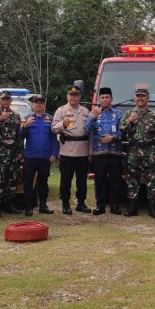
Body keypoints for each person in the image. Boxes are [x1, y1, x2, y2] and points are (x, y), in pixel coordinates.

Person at [120, 88, 155, 218]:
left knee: (153, 179)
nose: (140, 98)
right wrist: (129, 121)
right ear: (134, 98)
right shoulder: (128, 113)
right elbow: (121, 129)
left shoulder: (154, 115)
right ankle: (132, 207)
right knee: (132, 179)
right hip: (134, 150)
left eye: (143, 96)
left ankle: (153, 208)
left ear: (148, 99)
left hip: (150, 151)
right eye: (138, 96)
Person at [51, 85, 92, 214]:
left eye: (76, 95)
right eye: (71, 95)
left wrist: (90, 152)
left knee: (82, 180)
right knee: (66, 179)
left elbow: (90, 133)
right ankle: (65, 204)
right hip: (67, 150)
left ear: (79, 96)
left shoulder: (86, 111)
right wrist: (62, 124)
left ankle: (81, 203)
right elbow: (53, 128)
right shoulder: (61, 111)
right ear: (67, 96)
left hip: (82, 150)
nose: (73, 97)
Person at [85, 87, 122, 216]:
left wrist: (113, 138)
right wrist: (93, 118)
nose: (105, 100)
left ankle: (115, 206)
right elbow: (87, 130)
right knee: (100, 180)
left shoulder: (118, 113)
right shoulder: (94, 112)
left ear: (111, 99)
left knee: (115, 180)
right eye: (102, 97)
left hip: (114, 152)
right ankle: (100, 205)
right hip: (99, 153)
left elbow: (124, 131)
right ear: (99, 99)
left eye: (107, 97)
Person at [21, 94, 58, 216]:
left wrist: (54, 153)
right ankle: (28, 206)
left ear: (44, 105)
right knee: (28, 182)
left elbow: (53, 138)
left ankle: (43, 205)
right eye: (36, 103)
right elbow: (20, 136)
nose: (38, 105)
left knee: (43, 182)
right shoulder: (26, 119)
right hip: (30, 156)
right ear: (32, 105)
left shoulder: (50, 119)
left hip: (44, 157)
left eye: (41, 102)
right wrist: (25, 126)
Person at [0, 90, 23, 217]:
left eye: (8, 99)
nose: (6, 101)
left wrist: (20, 151)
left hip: (13, 153)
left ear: (11, 101)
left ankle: (10, 204)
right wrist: (0, 119)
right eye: (3, 99)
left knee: (12, 179)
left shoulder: (16, 116)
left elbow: (19, 135)